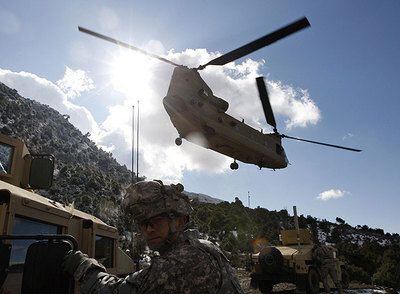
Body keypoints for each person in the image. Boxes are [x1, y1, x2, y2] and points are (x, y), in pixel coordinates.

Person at [63, 180, 244, 294]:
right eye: (143, 223)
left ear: (180, 221)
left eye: (156, 221)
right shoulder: (202, 246)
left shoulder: (183, 261)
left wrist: (84, 267)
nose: (148, 230)